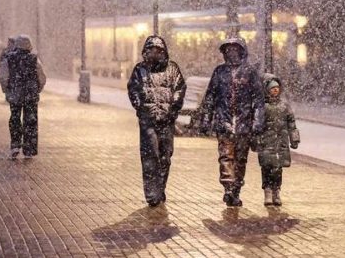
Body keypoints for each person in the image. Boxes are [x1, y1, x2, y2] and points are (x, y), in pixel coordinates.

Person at [194, 36, 265, 207]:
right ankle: (228, 187)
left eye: (235, 49)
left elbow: (258, 100)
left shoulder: (249, 72)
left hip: (244, 125)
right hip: (224, 123)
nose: (231, 53)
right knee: (226, 157)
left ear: (241, 51)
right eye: (228, 50)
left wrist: (257, 123)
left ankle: (236, 189)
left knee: (240, 159)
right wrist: (205, 119)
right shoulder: (219, 72)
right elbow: (210, 97)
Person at [127, 35, 188, 207]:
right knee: (149, 157)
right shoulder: (140, 70)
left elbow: (179, 88)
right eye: (151, 49)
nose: (154, 53)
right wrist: (141, 107)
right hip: (148, 121)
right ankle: (152, 193)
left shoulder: (172, 69)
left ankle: (160, 187)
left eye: (157, 50)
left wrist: (173, 107)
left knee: (165, 156)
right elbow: (133, 89)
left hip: (166, 121)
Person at [255, 73, 300, 207]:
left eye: (277, 88)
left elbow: (291, 123)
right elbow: (257, 125)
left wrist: (294, 139)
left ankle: (276, 191)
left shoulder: (284, 106)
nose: (275, 90)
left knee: (277, 169)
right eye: (272, 88)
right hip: (266, 143)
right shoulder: (262, 107)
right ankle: (267, 191)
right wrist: (256, 140)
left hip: (280, 143)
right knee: (267, 168)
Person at [0, 35, 46, 159]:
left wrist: (6, 90)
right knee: (30, 121)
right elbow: (42, 77)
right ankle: (29, 148)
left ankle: (15, 145)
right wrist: (37, 89)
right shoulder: (34, 59)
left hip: (15, 94)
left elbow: (4, 76)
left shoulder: (9, 59)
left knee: (15, 119)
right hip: (30, 95)